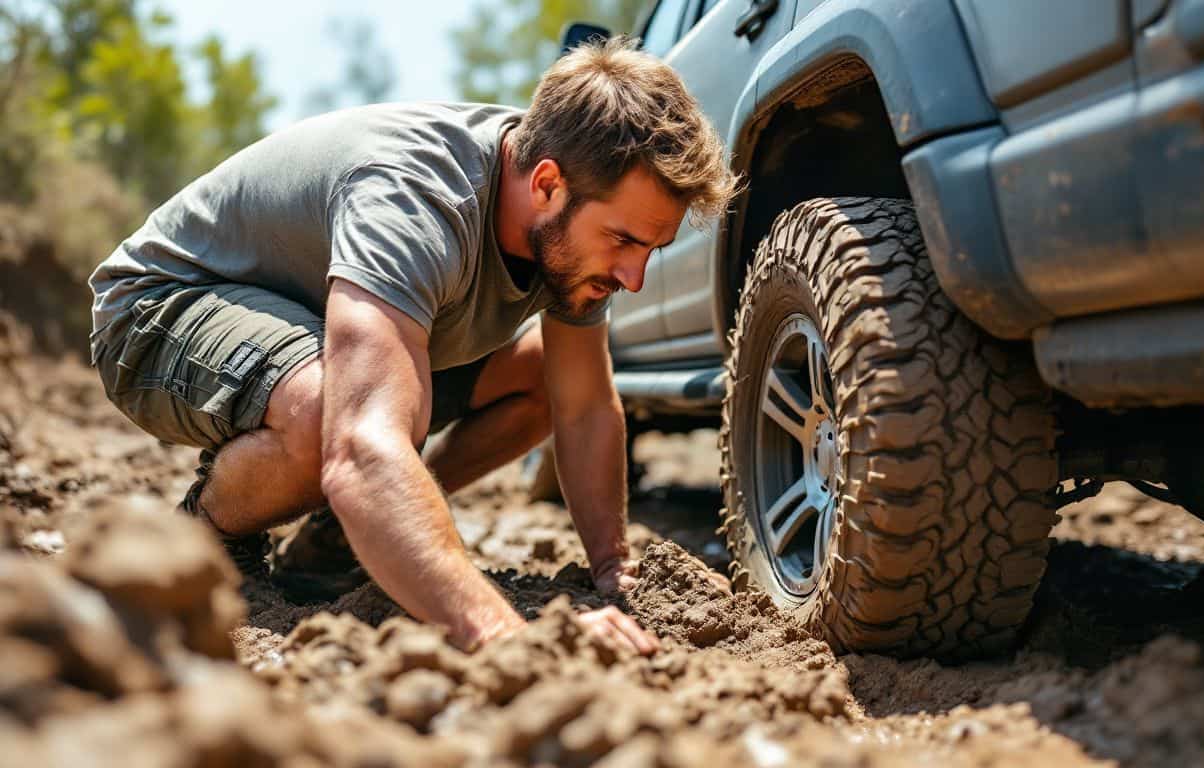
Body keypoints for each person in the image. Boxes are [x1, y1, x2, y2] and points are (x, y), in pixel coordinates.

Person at [86, 38, 737, 654]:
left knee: (537, 371)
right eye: (624, 241)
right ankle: (205, 535)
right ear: (545, 185)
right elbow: (359, 445)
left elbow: (584, 407)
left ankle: (345, 532)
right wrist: (506, 637)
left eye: (652, 249)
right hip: (156, 309)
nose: (634, 277)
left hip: (319, 325)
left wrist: (613, 569)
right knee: (332, 418)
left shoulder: (579, 200)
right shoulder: (417, 197)